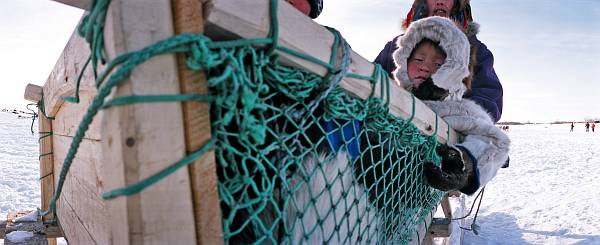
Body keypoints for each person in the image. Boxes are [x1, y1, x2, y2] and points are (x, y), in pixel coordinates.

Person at [392, 16, 510, 194]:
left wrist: (466, 160)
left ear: (454, 69)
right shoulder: (390, 96)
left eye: (439, 64)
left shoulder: (458, 108)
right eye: (418, 60)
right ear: (404, 62)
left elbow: (493, 140)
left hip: (417, 191)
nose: (425, 67)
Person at [374, 0, 503, 123]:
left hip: (447, 141)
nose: (440, 1)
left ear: (457, 4)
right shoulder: (396, 46)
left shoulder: (476, 50)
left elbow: (489, 100)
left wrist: (450, 116)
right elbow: (373, 80)